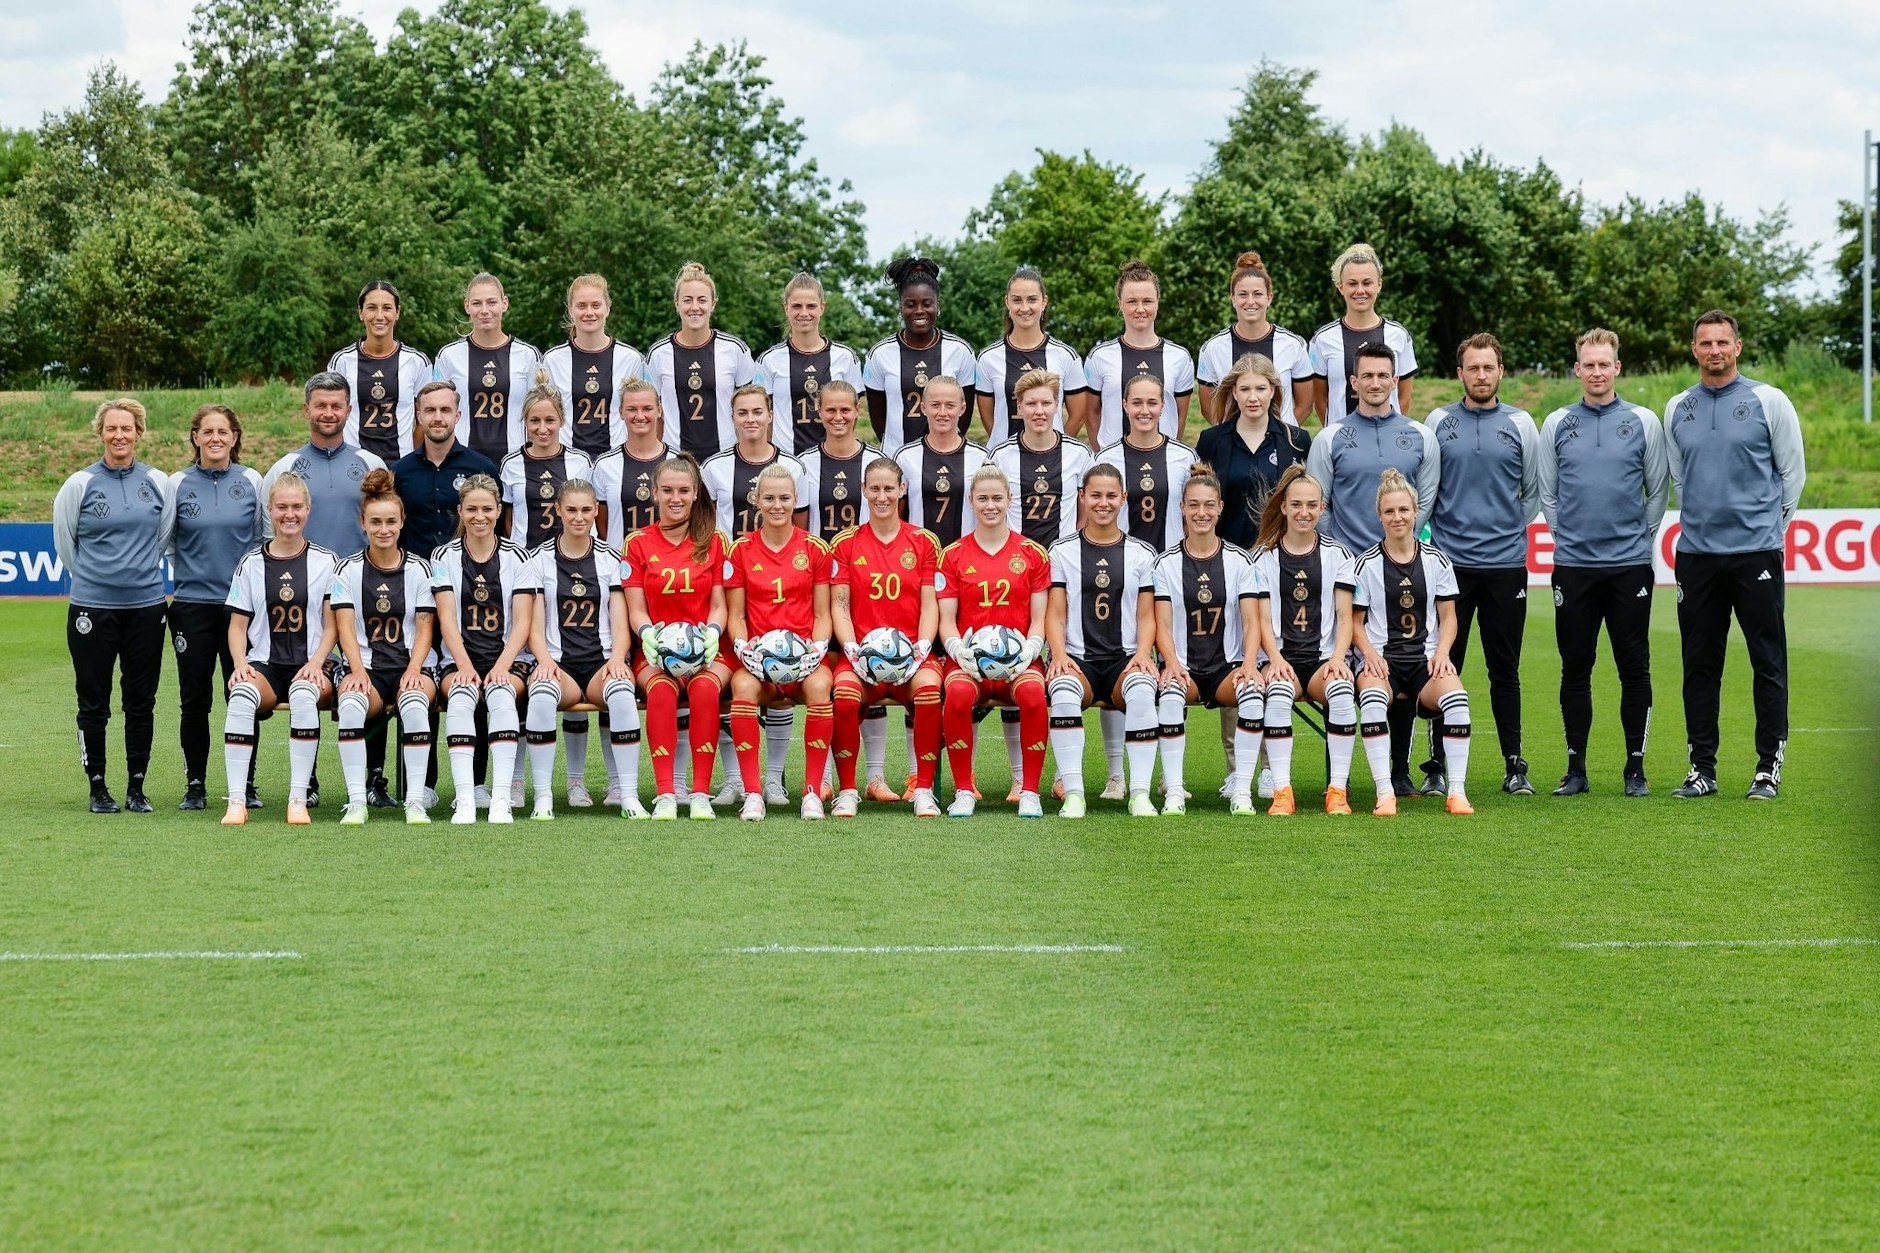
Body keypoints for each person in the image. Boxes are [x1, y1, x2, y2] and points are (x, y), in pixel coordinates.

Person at [1664, 311, 1806, 801]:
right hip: (1698, 557)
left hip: (1756, 555)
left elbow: (1792, 475)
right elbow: (1680, 480)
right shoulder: (1677, 407)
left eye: (1723, 342)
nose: (1715, 350)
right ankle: (1702, 768)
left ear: (1738, 347)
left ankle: (1768, 766)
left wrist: (1768, 531)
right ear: (1694, 348)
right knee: (1699, 664)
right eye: (1706, 343)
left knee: (1767, 661)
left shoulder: (1769, 401)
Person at [1535, 327, 1669, 799]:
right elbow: (1547, 492)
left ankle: (1636, 768)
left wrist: (1639, 539)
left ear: (1617, 367)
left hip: (1629, 566)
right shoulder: (1556, 423)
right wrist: (1567, 537)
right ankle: (1576, 769)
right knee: (1576, 668)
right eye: (1587, 364)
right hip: (1574, 567)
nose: (1596, 371)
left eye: (1603, 363)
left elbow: (1658, 490)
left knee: (1634, 668)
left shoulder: (1643, 421)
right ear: (1577, 370)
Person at [1424, 333, 1543, 796]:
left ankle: (1514, 763)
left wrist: (1505, 531)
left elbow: (1532, 491)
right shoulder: (1438, 421)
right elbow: (1428, 488)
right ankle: (1435, 765)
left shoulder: (1520, 423)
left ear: (1500, 371)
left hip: (1505, 565)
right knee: (1442, 665)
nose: (1480, 375)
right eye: (1472, 368)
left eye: (1488, 367)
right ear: (1460, 373)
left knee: (1504, 668)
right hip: (1449, 567)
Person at [53, 397, 173, 814]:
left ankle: (137, 787)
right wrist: (98, 580)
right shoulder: (79, 484)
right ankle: (98, 786)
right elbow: (67, 547)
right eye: (111, 428)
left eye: (127, 428)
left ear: (139, 432)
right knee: (94, 702)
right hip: (91, 608)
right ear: (100, 433)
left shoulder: (159, 481)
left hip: (146, 607)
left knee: (141, 700)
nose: (119, 435)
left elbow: (161, 538)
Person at [218, 473, 340, 826]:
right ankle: (237, 801)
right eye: (282, 507)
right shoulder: (251, 563)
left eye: (297, 507)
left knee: (303, 695)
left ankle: (298, 799)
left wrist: (317, 663)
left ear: (308, 510)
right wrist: (240, 664)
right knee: (241, 694)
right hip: (266, 665)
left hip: (314, 665)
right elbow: (237, 626)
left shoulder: (327, 561)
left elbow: (333, 625)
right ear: (269, 510)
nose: (290, 514)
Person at [1351, 469, 1474, 816]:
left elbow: (1449, 618)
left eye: (1404, 510)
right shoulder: (1365, 564)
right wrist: (1371, 655)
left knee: (1457, 699)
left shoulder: (1436, 560)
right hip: (1383, 663)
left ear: (1416, 511)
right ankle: (1385, 792)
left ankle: (1457, 793)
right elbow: (1355, 624)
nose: (1397, 517)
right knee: (1373, 700)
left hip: (1425, 663)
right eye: (1389, 511)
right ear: (1379, 516)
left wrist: (1442, 653)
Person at [1250, 467, 1371, 816]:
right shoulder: (1264, 556)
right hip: (1278, 658)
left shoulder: (1338, 556)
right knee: (1277, 695)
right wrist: (1273, 658)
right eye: (1297, 504)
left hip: (1322, 660)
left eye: (1312, 505)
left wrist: (1337, 659)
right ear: (1284, 507)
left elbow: (1346, 618)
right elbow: (1260, 619)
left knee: (1342, 693)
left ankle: (1337, 791)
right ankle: (1282, 791)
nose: (1304, 512)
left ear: (1322, 509)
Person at [829, 458, 945, 816]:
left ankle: (923, 788)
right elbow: (839, 605)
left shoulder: (924, 542)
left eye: (889, 489)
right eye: (875, 489)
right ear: (864, 491)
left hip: (912, 655)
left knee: (928, 691)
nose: (882, 496)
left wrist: (921, 647)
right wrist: (852, 650)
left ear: (902, 490)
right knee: (845, 695)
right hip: (862, 658)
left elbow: (930, 605)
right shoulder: (845, 543)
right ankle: (847, 789)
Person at [164, 404, 266, 811]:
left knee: (244, 695)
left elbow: (262, 540)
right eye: (207, 432)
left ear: (235, 437)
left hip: (241, 609)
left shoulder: (253, 480)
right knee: (195, 700)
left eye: (223, 431)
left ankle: (247, 783)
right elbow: (167, 539)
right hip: (191, 605)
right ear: (195, 437)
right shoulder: (177, 483)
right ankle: (195, 784)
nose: (215, 438)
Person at [1044, 465, 1162, 817]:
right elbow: (1056, 613)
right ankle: (1075, 794)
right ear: (1082, 496)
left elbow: (1146, 615)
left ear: (1124, 498)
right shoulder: (1062, 551)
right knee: (1063, 692)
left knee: (1141, 691)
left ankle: (1139, 794)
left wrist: (1143, 652)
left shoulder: (1142, 553)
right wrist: (1059, 654)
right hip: (1078, 659)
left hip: (1123, 659)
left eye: (1111, 496)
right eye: (1095, 495)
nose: (1103, 503)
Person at [521, 479, 642, 820]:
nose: (579, 517)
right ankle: (544, 797)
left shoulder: (609, 559)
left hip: (601, 661)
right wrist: (544, 661)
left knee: (620, 693)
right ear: (557, 510)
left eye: (586, 510)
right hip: (558, 663)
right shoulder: (539, 559)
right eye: (571, 510)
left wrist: (618, 659)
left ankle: (628, 794)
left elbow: (620, 622)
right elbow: (533, 620)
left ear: (595, 512)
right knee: (542, 695)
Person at [1149, 467, 1267, 815]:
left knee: (1252, 693)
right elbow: (1162, 625)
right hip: (1182, 665)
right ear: (1182, 508)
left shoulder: (1239, 561)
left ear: (1220, 508)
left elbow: (1251, 621)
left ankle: (1242, 789)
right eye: (1194, 505)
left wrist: (1248, 665)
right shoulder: (1165, 564)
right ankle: (1173, 789)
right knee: (1170, 697)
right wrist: (1171, 663)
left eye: (1209, 505)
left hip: (1225, 668)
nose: (1201, 513)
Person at [936, 466, 1051, 817]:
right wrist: (957, 649)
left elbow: (1039, 619)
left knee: (1033, 694)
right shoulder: (953, 554)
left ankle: (1030, 790)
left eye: (997, 498)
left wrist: (1031, 648)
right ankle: (964, 790)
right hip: (970, 662)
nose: (990, 505)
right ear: (971, 501)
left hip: (1019, 662)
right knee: (956, 695)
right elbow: (946, 620)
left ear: (1009, 500)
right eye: (983, 498)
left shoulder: (1033, 554)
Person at [624, 455, 733, 821]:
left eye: (684, 490)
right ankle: (666, 793)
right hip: (655, 651)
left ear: (695, 492)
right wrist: (648, 635)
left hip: (707, 649)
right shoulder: (638, 543)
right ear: (654, 493)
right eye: (667, 490)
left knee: (703, 689)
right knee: (660, 691)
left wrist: (713, 634)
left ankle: (700, 793)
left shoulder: (714, 541)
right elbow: (635, 607)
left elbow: (720, 603)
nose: (676, 498)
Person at [725, 465, 836, 821]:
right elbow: (736, 615)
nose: (777, 505)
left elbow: (822, 614)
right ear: (756, 501)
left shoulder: (815, 549)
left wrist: (816, 653)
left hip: (803, 661)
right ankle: (753, 793)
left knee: (821, 686)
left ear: (796, 500)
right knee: (741, 687)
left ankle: (812, 793)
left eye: (784, 498)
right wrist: (745, 651)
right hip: (759, 662)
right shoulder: (740, 550)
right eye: (769, 498)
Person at [329, 469, 438, 825]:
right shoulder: (346, 570)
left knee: (415, 702)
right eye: (375, 522)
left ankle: (415, 801)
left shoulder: (421, 569)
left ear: (402, 522)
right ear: (363, 523)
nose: (384, 529)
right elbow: (344, 628)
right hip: (368, 669)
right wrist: (357, 671)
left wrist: (413, 670)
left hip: (411, 665)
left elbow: (425, 628)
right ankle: (357, 800)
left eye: (391, 521)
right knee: (350, 703)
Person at [430, 474, 537, 825]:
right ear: (460, 511)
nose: (480, 516)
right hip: (459, 659)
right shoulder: (443, 556)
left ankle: (501, 798)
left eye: (487, 509)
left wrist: (502, 667)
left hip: (508, 660)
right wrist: (463, 665)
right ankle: (464, 799)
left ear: (499, 510)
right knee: (461, 698)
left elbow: (523, 622)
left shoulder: (518, 557)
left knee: (503, 697)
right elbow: (445, 619)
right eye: (472, 509)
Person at [1305, 342, 1439, 556]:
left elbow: (1424, 502)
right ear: (1354, 382)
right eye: (1367, 376)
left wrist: (1401, 545)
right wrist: (1339, 550)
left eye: (1383, 376)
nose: (1375, 384)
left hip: (1402, 562)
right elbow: (1318, 504)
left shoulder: (1423, 437)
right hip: (1348, 564)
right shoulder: (1328, 438)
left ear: (1395, 381)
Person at [862, 257, 978, 455]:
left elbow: (963, 416)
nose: (919, 311)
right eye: (910, 304)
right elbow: (879, 419)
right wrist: (904, 454)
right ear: (901, 307)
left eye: (926, 304)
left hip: (946, 456)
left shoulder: (960, 351)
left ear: (937, 305)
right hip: (895, 460)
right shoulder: (879, 354)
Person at [266, 372, 388, 560]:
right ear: (307, 410)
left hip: (358, 579)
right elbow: (268, 535)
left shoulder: (372, 465)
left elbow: (387, 525)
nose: (329, 414)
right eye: (321, 406)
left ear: (348, 411)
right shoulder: (283, 469)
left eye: (336, 406)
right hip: (303, 580)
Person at [1197, 353, 1313, 551]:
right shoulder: (1212, 440)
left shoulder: (1297, 440)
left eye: (1260, 389)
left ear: (1272, 391)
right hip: (1225, 554)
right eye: (1245, 389)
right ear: (1234, 392)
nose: (1253, 397)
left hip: (1279, 555)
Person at [646, 262, 760, 461]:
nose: (695, 307)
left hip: (725, 459)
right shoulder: (658, 354)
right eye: (687, 300)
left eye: (702, 300)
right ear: (677, 304)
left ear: (713, 304)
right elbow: (653, 414)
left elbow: (753, 408)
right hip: (675, 460)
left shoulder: (735, 349)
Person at [974, 268, 1092, 447]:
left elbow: (1078, 415)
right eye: (1017, 300)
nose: (1024, 308)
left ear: (1044, 302)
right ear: (1007, 303)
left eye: (1032, 299)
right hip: (1004, 466)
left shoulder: (1066, 356)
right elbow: (989, 419)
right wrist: (1006, 448)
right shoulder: (988, 358)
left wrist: (1055, 447)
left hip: (1052, 462)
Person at [1086, 259, 1197, 448]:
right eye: (1132, 301)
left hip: (1163, 465)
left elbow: (1180, 416)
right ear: (1120, 304)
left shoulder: (1179, 357)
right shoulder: (1099, 356)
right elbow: (1091, 414)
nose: (1140, 309)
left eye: (1147, 301)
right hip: (1114, 469)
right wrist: (1102, 457)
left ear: (1157, 303)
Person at [1196, 251, 1314, 426]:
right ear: (1233, 299)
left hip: (1280, 447)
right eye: (1243, 294)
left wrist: (1282, 435)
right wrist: (1228, 436)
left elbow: (1304, 405)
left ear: (1269, 298)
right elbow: (1208, 407)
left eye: (1257, 294)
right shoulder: (1213, 348)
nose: (1250, 301)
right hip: (1232, 448)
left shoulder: (1293, 345)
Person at [435, 272, 542, 464]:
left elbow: (539, 412)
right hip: (461, 459)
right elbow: (436, 412)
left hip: (515, 461)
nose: (484, 310)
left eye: (491, 302)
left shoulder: (527, 355)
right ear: (466, 305)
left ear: (505, 303)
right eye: (477, 303)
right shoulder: (448, 356)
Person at [391, 380, 501, 565]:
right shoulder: (400, 472)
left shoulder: (481, 468)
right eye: (430, 410)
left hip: (468, 574)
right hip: (415, 576)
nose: (438, 418)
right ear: (419, 416)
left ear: (457, 415)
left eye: (445, 410)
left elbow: (496, 523)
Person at [757, 272, 865, 457]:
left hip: (833, 459)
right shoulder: (769, 360)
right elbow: (764, 419)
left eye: (811, 306)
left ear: (822, 308)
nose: (804, 313)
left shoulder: (845, 357)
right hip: (786, 463)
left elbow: (851, 415)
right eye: (797, 306)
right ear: (786, 309)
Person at [1307, 244, 1417, 427]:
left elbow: (1404, 397)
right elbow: (1320, 400)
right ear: (1340, 286)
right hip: (1342, 441)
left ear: (1379, 285)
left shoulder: (1398, 335)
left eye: (1367, 283)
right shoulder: (1322, 339)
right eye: (1352, 283)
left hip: (1389, 439)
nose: (1360, 291)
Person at [541, 273, 648, 458]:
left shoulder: (630, 358)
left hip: (615, 463)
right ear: (570, 309)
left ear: (608, 308)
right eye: (581, 306)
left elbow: (645, 414)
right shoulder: (553, 359)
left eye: (596, 305)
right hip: (567, 461)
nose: (589, 312)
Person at [328, 281, 433, 463]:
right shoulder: (342, 361)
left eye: (386, 308)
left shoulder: (417, 362)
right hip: (353, 466)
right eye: (371, 308)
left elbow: (425, 418)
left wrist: (412, 460)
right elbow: (332, 415)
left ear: (397, 313)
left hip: (401, 467)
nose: (379, 316)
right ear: (361, 313)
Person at [991, 369, 1095, 548]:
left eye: (1046, 403)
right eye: (1031, 403)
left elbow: (1087, 514)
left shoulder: (1079, 454)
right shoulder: (1001, 456)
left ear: (1056, 405)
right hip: (1016, 559)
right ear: (1020, 408)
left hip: (1062, 559)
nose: (1039, 411)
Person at [1097, 374, 1200, 554]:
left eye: (1152, 403)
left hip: (1170, 567)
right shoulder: (1106, 459)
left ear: (1162, 406)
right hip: (1122, 564)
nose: (1144, 411)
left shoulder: (1185, 457)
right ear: (1125, 405)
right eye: (1137, 403)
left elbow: (1193, 514)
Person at [700, 384, 810, 538]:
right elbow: (704, 523)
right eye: (742, 413)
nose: (750, 419)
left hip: (777, 559)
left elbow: (800, 529)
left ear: (770, 416)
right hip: (729, 559)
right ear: (733, 418)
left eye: (757, 412)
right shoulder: (712, 467)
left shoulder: (794, 467)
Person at [894, 376, 991, 549]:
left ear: (962, 408)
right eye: (935, 405)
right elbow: (896, 515)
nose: (943, 412)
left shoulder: (981, 457)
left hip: (967, 558)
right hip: (919, 556)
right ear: (923, 408)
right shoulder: (905, 457)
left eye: (950, 405)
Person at [499, 378, 595, 550]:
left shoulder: (580, 462)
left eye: (550, 420)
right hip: (525, 561)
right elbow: (509, 519)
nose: (542, 429)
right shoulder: (511, 464)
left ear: (562, 420)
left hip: (568, 560)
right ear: (525, 421)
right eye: (535, 420)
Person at [798, 380, 884, 542]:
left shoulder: (877, 462)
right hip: (819, 562)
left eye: (845, 410)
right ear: (819, 410)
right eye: (831, 410)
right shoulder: (803, 464)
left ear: (857, 410)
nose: (838, 417)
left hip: (863, 562)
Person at [593, 380, 674, 550]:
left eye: (647, 408)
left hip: (668, 567)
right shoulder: (605, 465)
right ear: (621, 412)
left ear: (659, 410)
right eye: (632, 409)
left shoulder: (678, 462)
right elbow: (602, 524)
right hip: (619, 565)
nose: (640, 416)